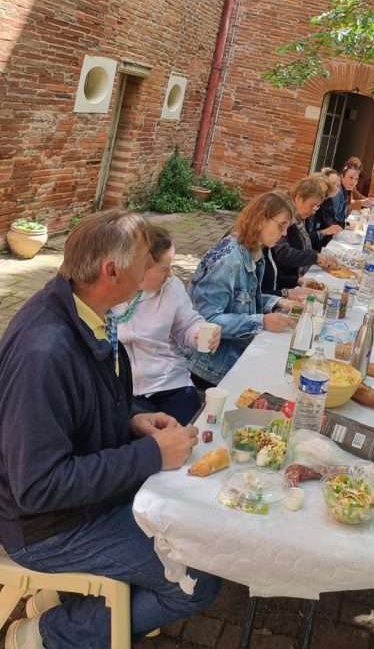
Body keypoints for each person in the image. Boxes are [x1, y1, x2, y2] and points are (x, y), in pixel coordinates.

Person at [0, 210, 219, 649]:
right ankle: (46, 635)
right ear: (112, 270)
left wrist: (132, 418)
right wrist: (152, 455)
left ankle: (75, 603)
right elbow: (39, 486)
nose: (152, 268)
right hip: (45, 528)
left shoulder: (86, 311)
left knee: (191, 522)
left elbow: (86, 405)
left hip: (78, 507)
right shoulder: (45, 351)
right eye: (145, 261)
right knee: (197, 578)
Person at [186, 191, 298, 386]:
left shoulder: (253, 250)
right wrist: (261, 321)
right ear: (262, 220)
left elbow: (241, 300)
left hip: (233, 355)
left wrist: (277, 301)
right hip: (210, 369)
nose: (285, 233)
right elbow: (207, 321)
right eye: (282, 225)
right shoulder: (229, 261)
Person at [116, 225, 221, 424]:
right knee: (149, 440)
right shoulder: (110, 292)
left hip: (169, 380)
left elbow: (188, 323)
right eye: (164, 269)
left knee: (193, 430)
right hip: (123, 387)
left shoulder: (170, 286)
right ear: (140, 268)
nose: (170, 274)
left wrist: (199, 333)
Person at [262, 176, 340, 294]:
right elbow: (283, 254)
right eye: (312, 205)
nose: (314, 211)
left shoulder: (298, 219)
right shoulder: (284, 218)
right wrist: (316, 257)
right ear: (298, 198)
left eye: (317, 207)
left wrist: (297, 281)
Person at [307, 167, 343, 248]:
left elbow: (331, 221)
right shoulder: (308, 206)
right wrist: (325, 232)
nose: (335, 188)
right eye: (332, 184)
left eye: (338, 185)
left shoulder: (327, 201)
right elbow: (305, 238)